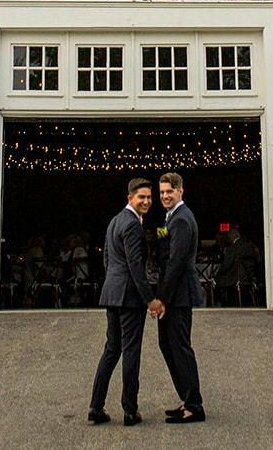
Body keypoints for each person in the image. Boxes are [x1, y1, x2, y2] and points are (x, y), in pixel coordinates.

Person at [89, 178, 155, 426]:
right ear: (130, 198)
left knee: (111, 350)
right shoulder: (133, 226)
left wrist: (113, 284)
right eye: (142, 197)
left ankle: (96, 407)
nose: (147, 201)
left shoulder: (115, 221)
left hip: (112, 292)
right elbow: (135, 265)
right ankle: (130, 410)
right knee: (130, 352)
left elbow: (107, 258)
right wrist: (149, 299)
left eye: (149, 197)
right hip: (129, 298)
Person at [153, 171, 205, 424]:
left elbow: (176, 261)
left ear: (180, 191)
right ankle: (187, 399)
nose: (164, 196)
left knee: (180, 348)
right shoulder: (171, 218)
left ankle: (194, 406)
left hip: (179, 294)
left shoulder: (182, 219)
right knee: (167, 345)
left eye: (169, 192)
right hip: (172, 294)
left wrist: (161, 298)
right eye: (162, 192)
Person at [215, 223, 259, 305]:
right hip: (249, 277)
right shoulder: (249, 246)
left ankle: (221, 303)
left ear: (231, 238)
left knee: (217, 281)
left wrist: (217, 274)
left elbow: (226, 265)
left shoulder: (231, 249)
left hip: (235, 278)